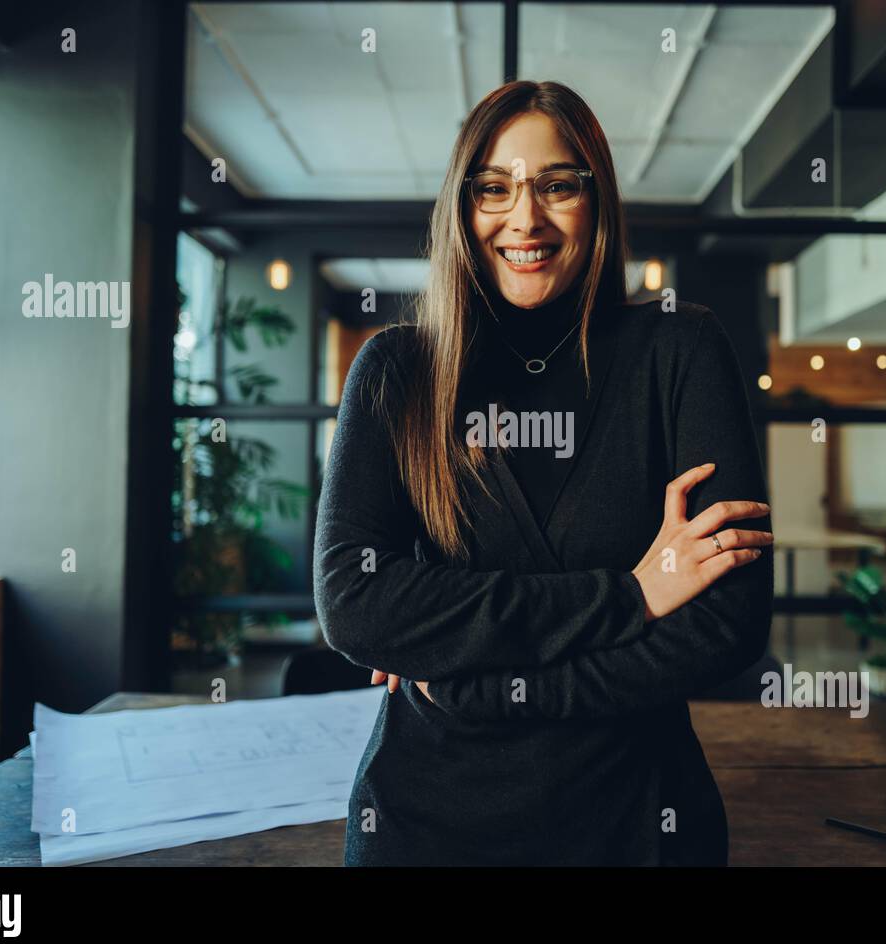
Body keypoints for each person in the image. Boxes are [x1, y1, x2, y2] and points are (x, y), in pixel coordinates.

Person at [313, 79, 774, 865]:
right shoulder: (396, 371)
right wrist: (633, 591)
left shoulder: (680, 351)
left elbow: (726, 624)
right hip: (424, 829)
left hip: (637, 826)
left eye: (558, 185)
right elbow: (356, 605)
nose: (524, 218)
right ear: (462, 210)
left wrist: (468, 678)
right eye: (493, 188)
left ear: (598, 203)